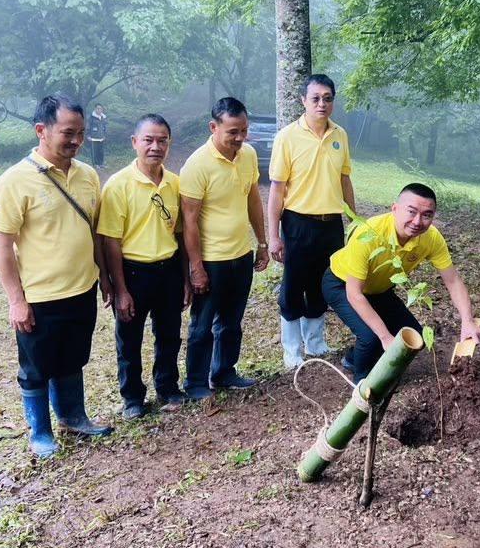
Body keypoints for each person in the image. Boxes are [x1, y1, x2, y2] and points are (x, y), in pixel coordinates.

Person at [0, 94, 114, 458]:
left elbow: (93, 232)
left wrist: (104, 277)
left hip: (82, 288)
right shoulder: (14, 181)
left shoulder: (88, 176)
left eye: (81, 133)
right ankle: (40, 432)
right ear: (41, 130)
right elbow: (2, 245)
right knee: (36, 367)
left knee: (73, 357)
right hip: (39, 296)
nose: (76, 140)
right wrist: (16, 300)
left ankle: (74, 417)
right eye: (68, 133)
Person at [322, 183, 480, 382]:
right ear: (395, 209)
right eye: (411, 211)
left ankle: (352, 358)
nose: (418, 221)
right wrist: (384, 337)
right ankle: (362, 383)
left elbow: (453, 280)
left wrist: (467, 320)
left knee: (415, 337)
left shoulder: (431, 238)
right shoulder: (368, 234)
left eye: (427, 215)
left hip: (380, 290)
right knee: (371, 338)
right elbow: (354, 294)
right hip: (341, 284)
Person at [97, 114, 190, 419]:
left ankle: (167, 387)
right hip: (133, 272)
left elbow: (180, 233)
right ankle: (133, 397)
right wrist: (119, 288)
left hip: (169, 270)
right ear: (135, 142)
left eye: (162, 140)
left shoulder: (176, 183)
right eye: (148, 140)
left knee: (169, 334)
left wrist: (186, 277)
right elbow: (111, 241)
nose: (155, 146)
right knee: (129, 338)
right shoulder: (118, 185)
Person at [180, 97, 269, 398]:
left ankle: (224, 372)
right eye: (233, 132)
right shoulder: (197, 164)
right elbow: (189, 221)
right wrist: (196, 268)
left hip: (241, 256)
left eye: (244, 130)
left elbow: (253, 199)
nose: (240, 138)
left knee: (232, 321)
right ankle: (194, 382)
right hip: (211, 260)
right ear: (213, 127)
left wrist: (262, 242)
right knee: (202, 326)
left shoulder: (249, 155)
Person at [268, 74, 356, 369]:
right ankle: (292, 352)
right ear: (303, 101)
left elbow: (345, 180)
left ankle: (316, 344)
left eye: (327, 98)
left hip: (331, 223)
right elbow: (277, 189)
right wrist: (273, 235)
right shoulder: (287, 137)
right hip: (297, 223)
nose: (322, 103)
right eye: (315, 98)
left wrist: (354, 221)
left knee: (324, 283)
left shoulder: (339, 135)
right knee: (293, 285)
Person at [88, 103, 108, 168]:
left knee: (101, 152)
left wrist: (105, 135)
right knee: (95, 152)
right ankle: (95, 164)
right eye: (98, 108)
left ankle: (101, 164)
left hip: (101, 138)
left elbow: (105, 127)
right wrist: (88, 135)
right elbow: (88, 127)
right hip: (93, 138)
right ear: (95, 109)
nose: (99, 110)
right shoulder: (91, 117)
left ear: (102, 110)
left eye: (100, 109)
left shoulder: (103, 117)